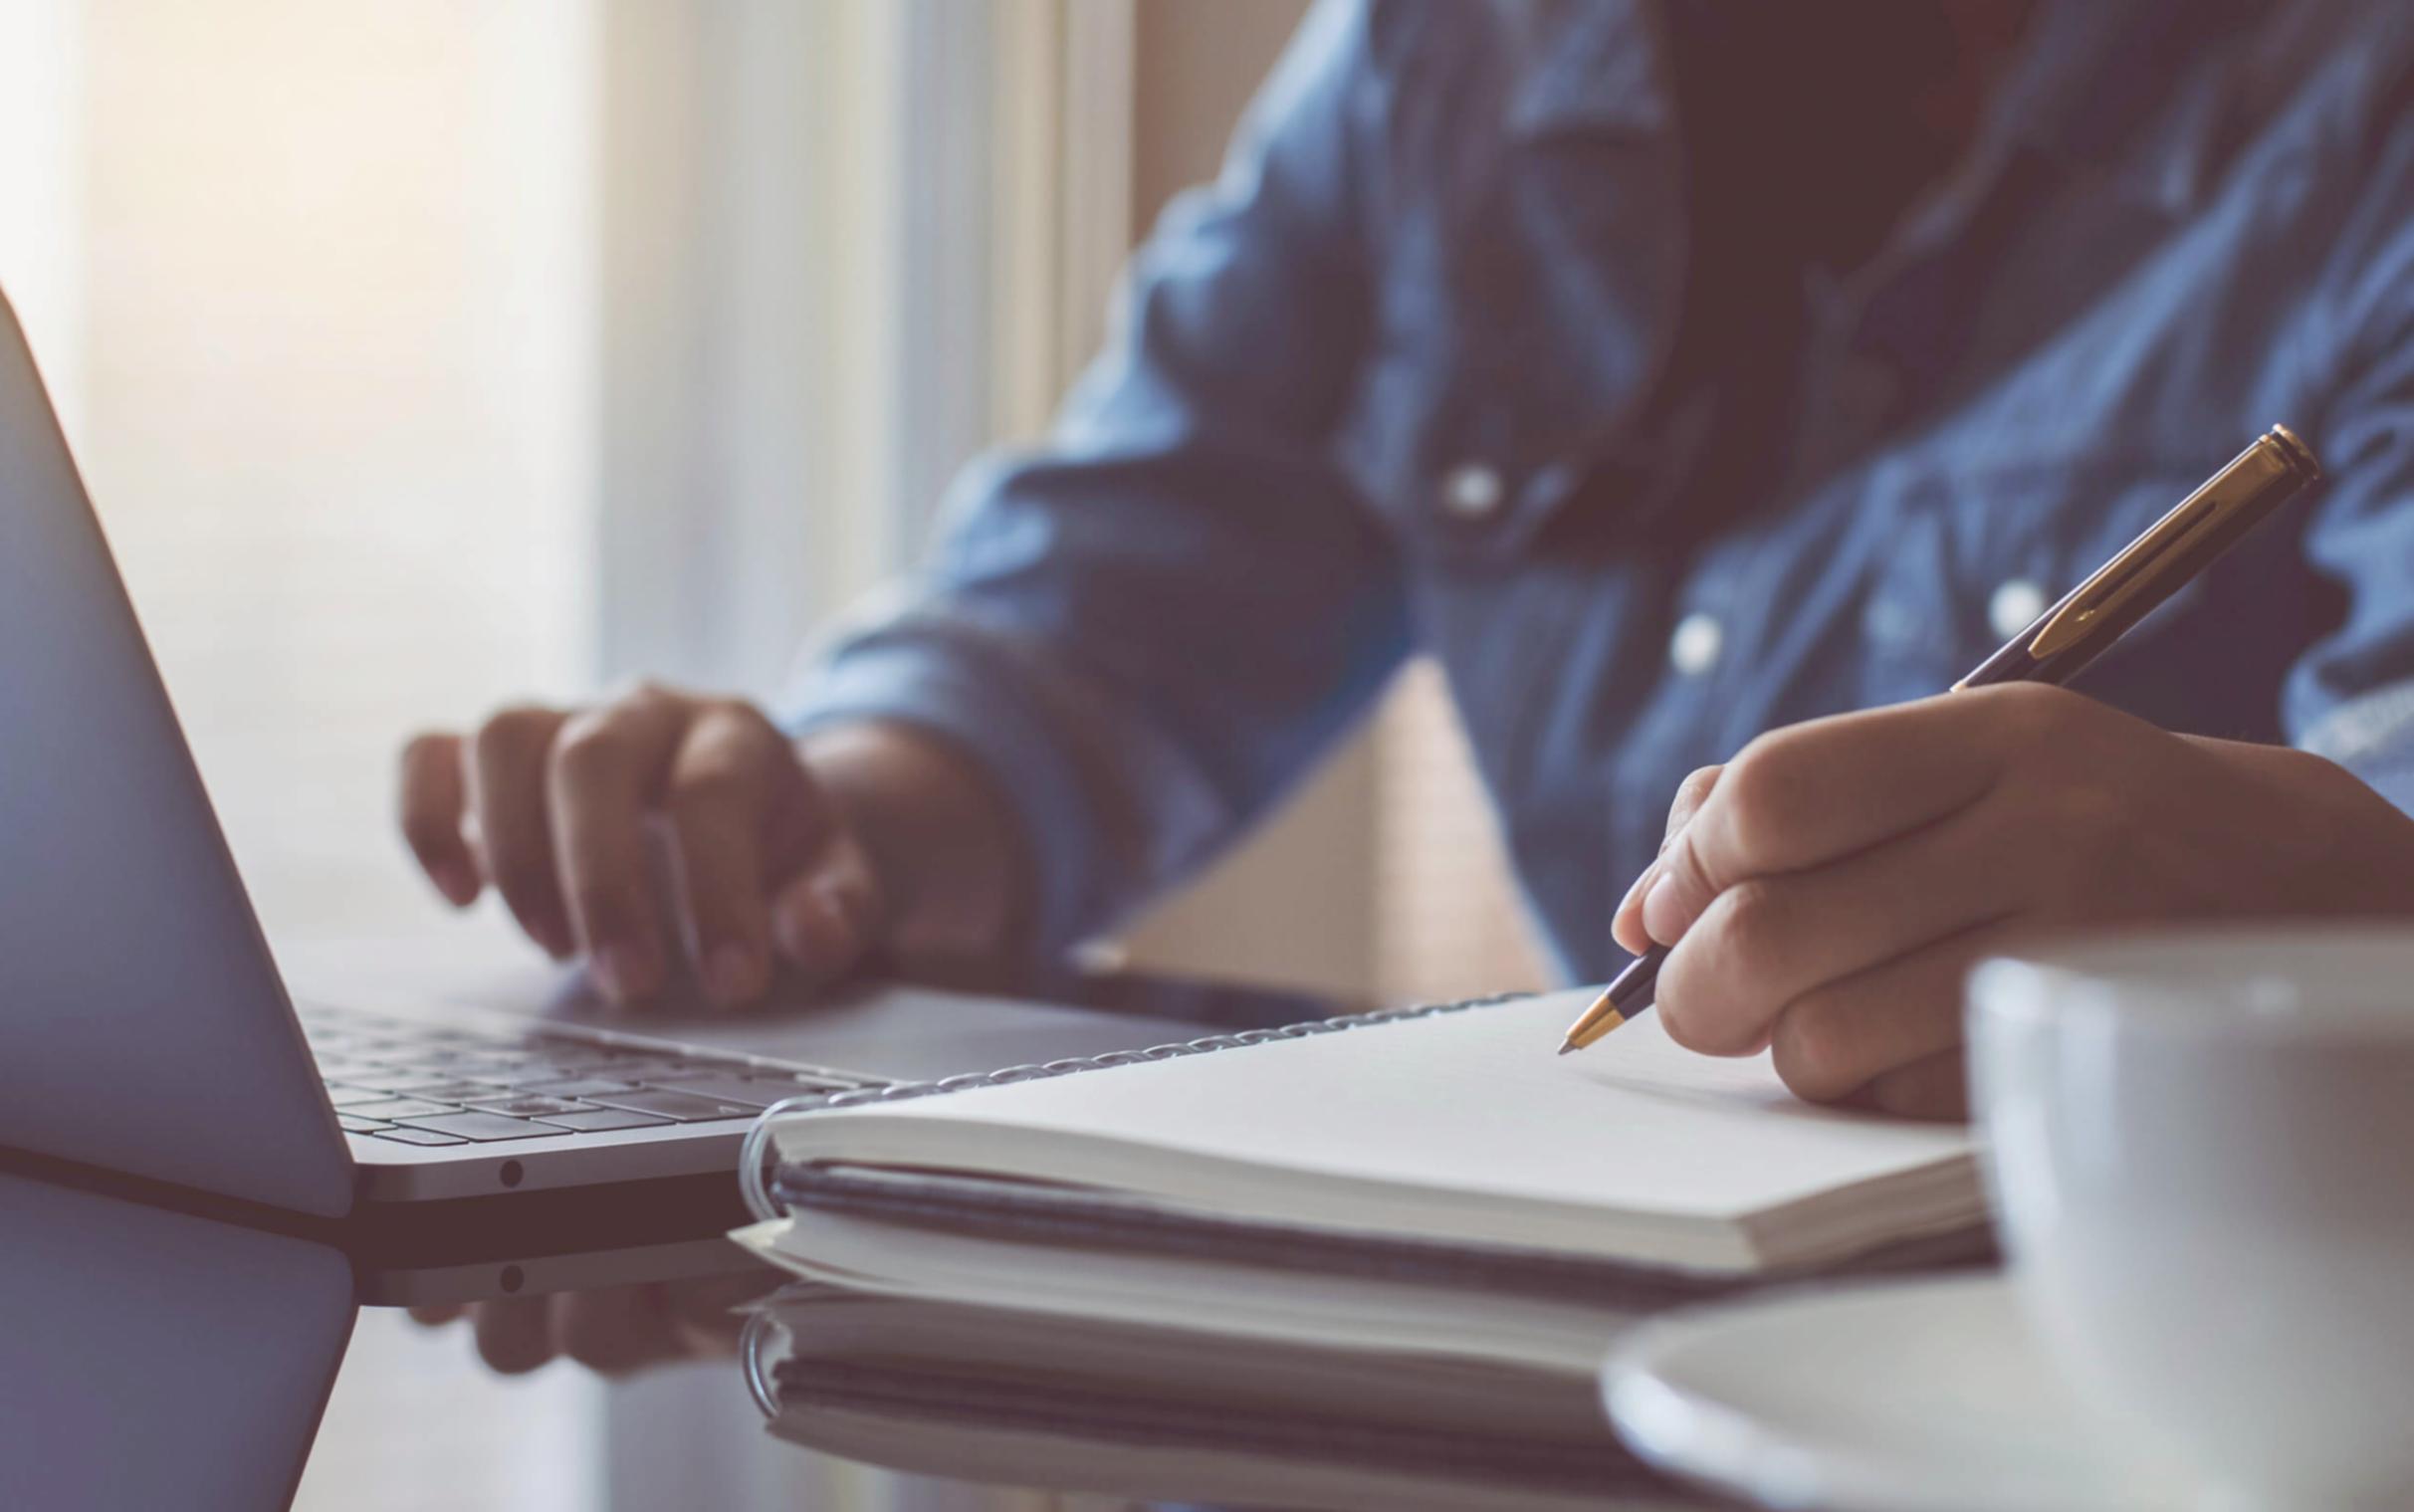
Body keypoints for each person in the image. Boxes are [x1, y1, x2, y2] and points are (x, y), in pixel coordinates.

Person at [399, 0, 2414, 1142]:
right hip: (1563, 1350)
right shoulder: (1439, 64)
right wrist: (813, 828)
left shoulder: (2359, 114)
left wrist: (2343, 894)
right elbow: (1089, 634)